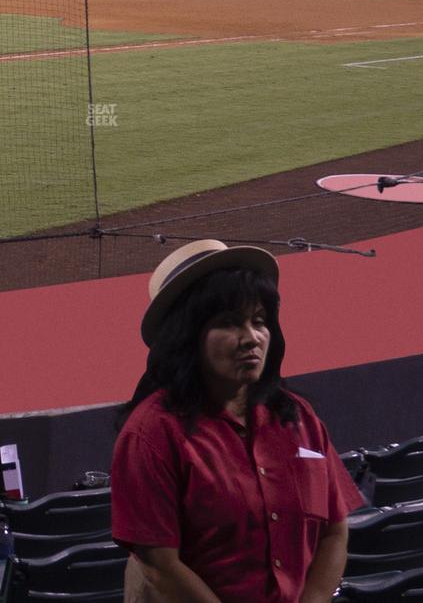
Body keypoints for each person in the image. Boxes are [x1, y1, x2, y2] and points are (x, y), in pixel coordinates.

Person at [114, 240, 360, 603]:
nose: (251, 338)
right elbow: (159, 565)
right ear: (187, 337)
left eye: (258, 321)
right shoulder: (150, 434)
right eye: (228, 324)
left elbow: (335, 532)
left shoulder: (298, 416)